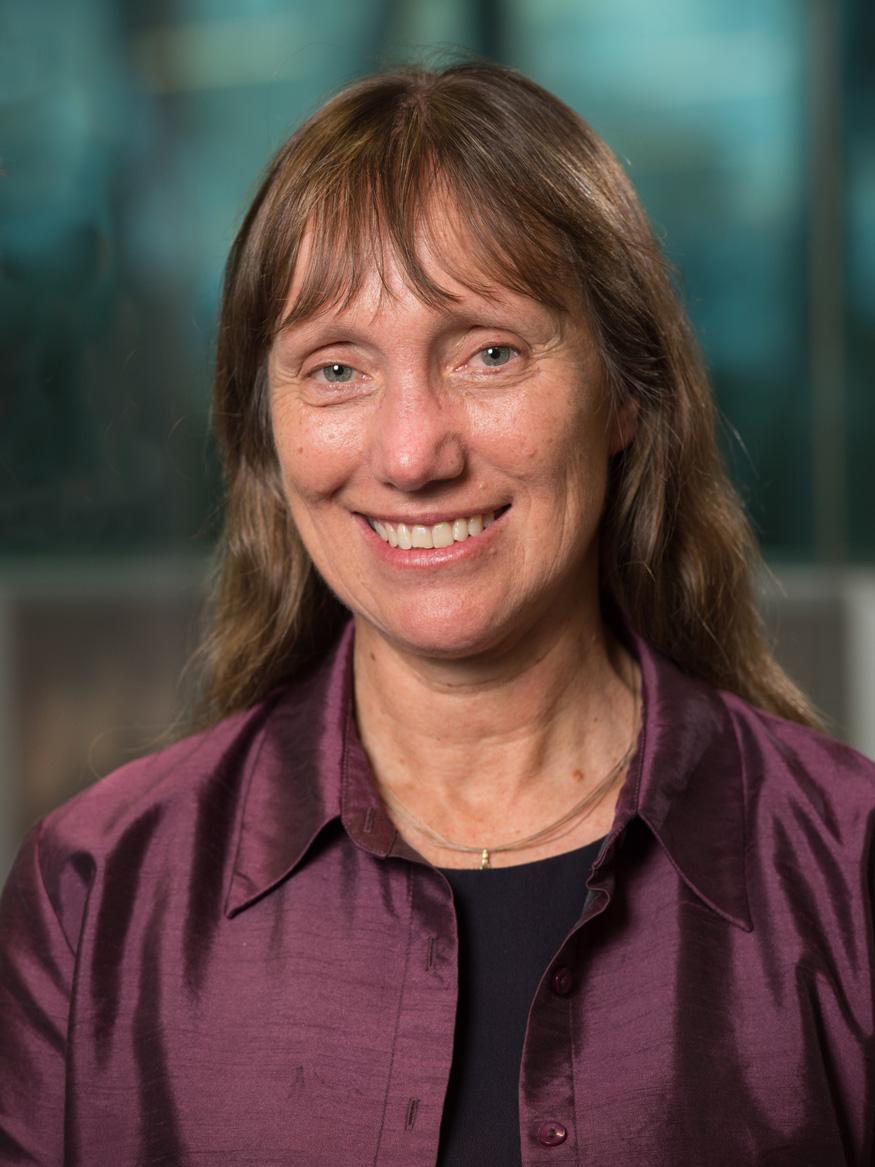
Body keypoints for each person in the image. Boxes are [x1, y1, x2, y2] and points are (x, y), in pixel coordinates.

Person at [1, 61, 873, 1167]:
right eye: (334, 369)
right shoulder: (95, 898)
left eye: (488, 352)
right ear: (265, 434)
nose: (412, 454)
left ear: (622, 392)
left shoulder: (847, 878)